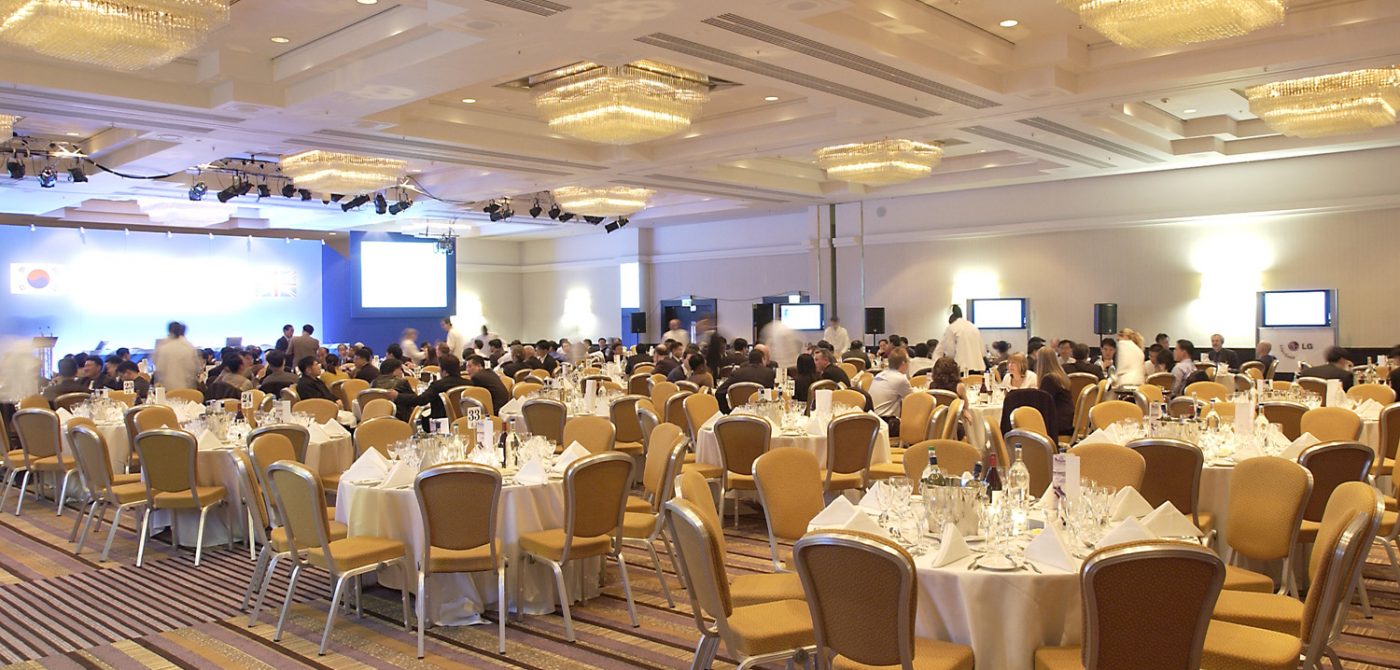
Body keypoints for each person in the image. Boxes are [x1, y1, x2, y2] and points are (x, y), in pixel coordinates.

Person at [414, 353, 471, 421]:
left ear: (444, 372)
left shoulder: (438, 386)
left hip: (442, 422)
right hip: (466, 421)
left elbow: (421, 400)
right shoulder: (470, 384)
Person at [934, 304, 986, 374]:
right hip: (979, 369)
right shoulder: (973, 327)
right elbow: (982, 352)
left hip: (961, 369)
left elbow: (950, 353)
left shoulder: (951, 328)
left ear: (951, 320)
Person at [869, 350, 913, 431]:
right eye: (908, 361)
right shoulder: (900, 379)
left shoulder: (880, 375)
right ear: (903, 363)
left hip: (872, 421)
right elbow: (913, 399)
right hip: (887, 423)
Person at [1035, 348, 1074, 438]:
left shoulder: (1049, 379)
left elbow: (1043, 404)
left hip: (1058, 424)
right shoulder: (1061, 376)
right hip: (1067, 419)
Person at [153, 321, 201, 390]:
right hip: (187, 388)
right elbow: (195, 368)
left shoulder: (163, 348)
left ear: (169, 331)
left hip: (168, 388)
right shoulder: (188, 347)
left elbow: (159, 370)